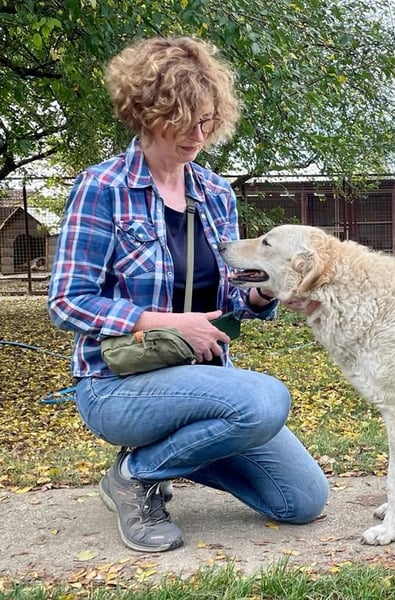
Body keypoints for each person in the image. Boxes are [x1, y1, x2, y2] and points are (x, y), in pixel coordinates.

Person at [48, 36, 329, 553]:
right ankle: (137, 474)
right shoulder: (103, 188)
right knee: (266, 400)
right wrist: (170, 323)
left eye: (207, 121)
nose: (198, 135)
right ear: (148, 111)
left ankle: (169, 455)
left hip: (205, 384)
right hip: (116, 383)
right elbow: (67, 301)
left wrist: (268, 293)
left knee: (302, 500)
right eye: (184, 120)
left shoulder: (215, 192)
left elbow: (234, 295)